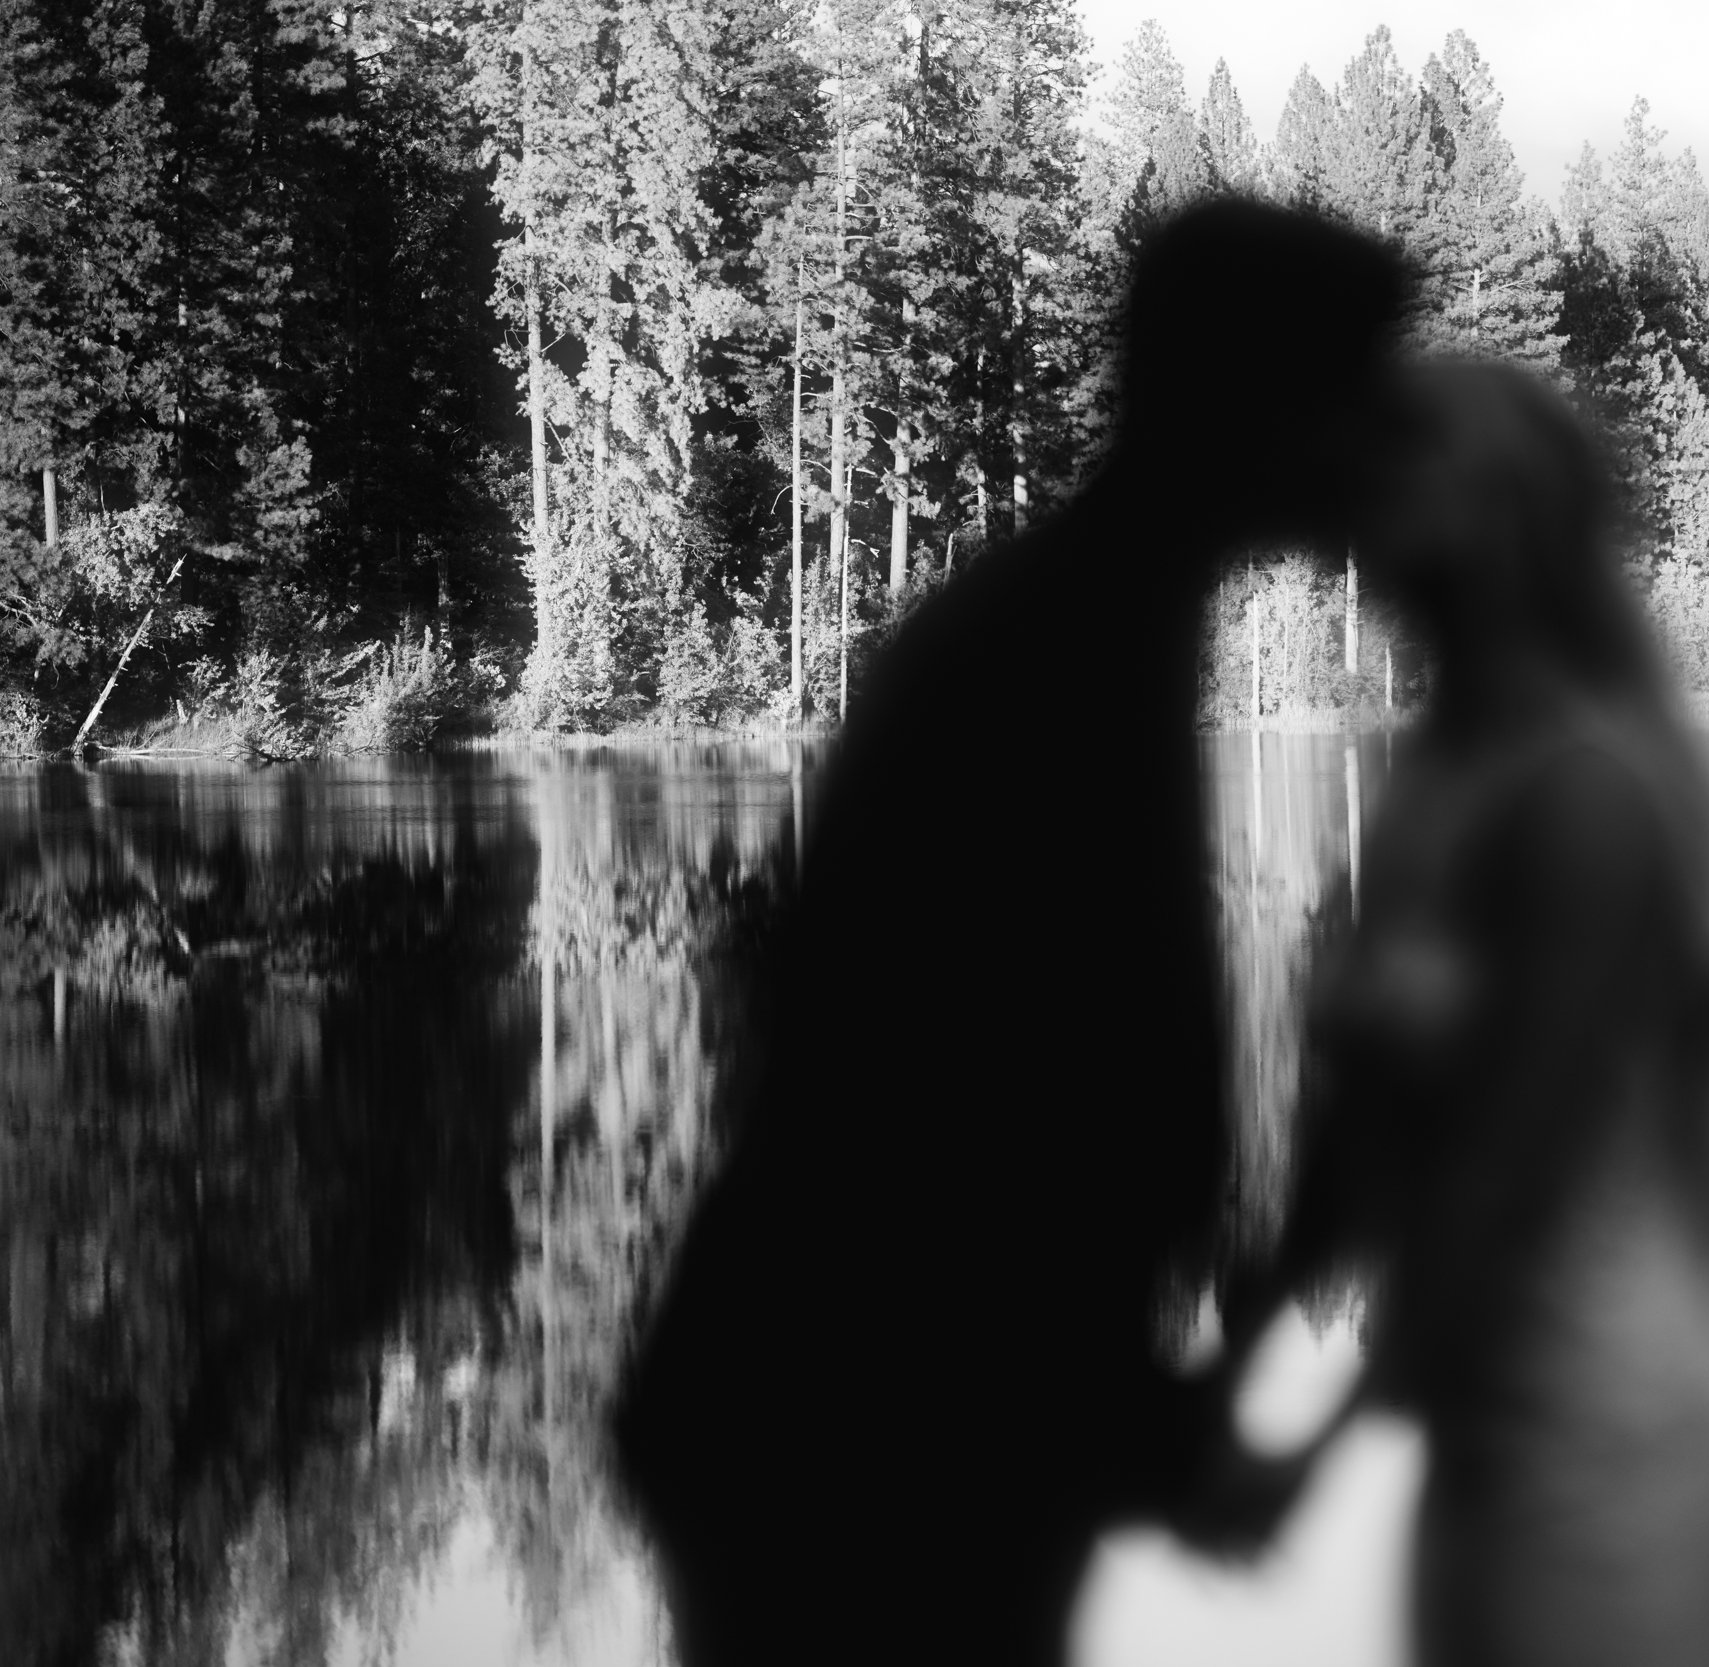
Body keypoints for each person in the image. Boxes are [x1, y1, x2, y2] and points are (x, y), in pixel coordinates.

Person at [610, 200, 1407, 1667]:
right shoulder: (1055, 659)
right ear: (1261, 405)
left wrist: (1143, 1421)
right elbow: (942, 1125)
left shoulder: (1104, 621)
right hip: (847, 1460)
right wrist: (1148, 1437)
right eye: (1361, 395)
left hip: (894, 1428)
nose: (1383, 444)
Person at [1191, 361, 1709, 1667]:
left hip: (1605, 1424)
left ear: (1502, 522)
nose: (1365, 515)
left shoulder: (1590, 800)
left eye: (1405, 480)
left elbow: (1508, 1171)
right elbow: (1351, 1142)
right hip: (1473, 1430)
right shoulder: (1435, 787)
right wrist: (1229, 1364)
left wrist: (1320, 1444)